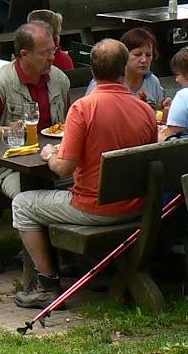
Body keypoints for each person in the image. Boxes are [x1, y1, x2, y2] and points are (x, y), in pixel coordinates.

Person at [10, 38, 157, 308]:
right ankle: (79, 265)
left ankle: (47, 284)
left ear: (92, 69)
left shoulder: (84, 108)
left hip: (95, 208)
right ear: (124, 69)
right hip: (136, 206)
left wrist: (51, 155)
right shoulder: (145, 109)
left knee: (22, 203)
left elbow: (64, 168)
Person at [0, 21, 71, 199]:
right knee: (30, 198)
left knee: (87, 184)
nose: (52, 58)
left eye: (53, 51)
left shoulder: (59, 79)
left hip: (52, 160)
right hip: (7, 168)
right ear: (24, 55)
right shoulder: (0, 83)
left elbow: (69, 121)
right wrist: (9, 132)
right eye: (44, 53)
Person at [85, 28, 165, 107]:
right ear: (124, 56)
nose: (144, 60)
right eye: (137, 54)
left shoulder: (152, 81)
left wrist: (164, 108)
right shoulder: (103, 83)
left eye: (148, 55)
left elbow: (159, 111)